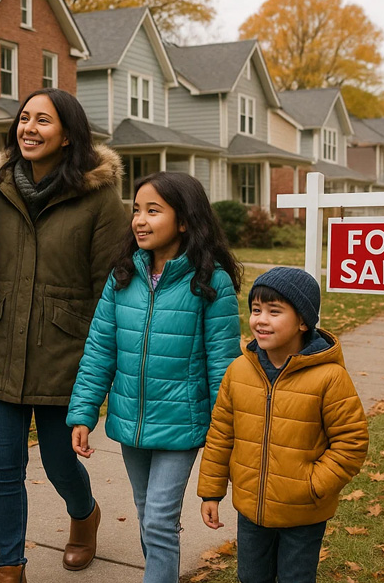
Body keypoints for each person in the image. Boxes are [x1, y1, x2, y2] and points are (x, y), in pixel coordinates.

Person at [0, 87, 125, 583]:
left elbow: (111, 284)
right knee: (5, 471)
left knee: (61, 463)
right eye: (23, 118)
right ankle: (9, 568)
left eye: (43, 120)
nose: (28, 128)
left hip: (67, 352)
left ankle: (84, 515)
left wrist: (106, 363)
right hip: (0, 345)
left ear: (67, 136)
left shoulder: (99, 197)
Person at [66, 171, 243, 583]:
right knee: (150, 518)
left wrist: (226, 434)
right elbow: (99, 349)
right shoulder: (123, 275)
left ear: (184, 220)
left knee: (160, 521)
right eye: (136, 210)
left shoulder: (210, 282)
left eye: (153, 211)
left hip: (183, 425)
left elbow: (223, 367)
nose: (139, 220)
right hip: (130, 421)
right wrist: (83, 412)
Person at [197, 267, 369, 583]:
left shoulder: (329, 377)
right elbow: (221, 434)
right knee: (251, 577)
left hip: (303, 512)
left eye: (274, 312)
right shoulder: (239, 371)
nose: (261, 319)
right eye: (256, 310)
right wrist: (211, 492)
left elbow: (352, 442)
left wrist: (313, 484)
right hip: (252, 509)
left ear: (302, 321)